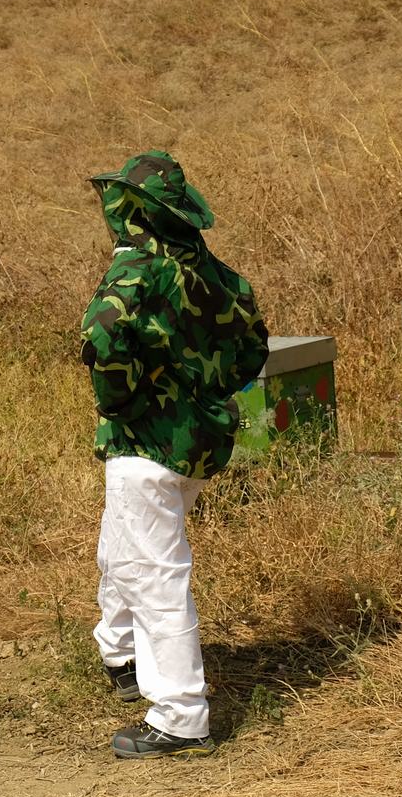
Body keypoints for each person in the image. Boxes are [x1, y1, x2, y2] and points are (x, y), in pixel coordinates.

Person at [80, 151, 268, 759]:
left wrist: (123, 403)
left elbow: (102, 334)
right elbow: (252, 347)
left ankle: (180, 715)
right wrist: (205, 388)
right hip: (197, 439)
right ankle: (122, 652)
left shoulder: (136, 272)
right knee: (121, 549)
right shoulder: (214, 272)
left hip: (145, 442)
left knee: (155, 572)